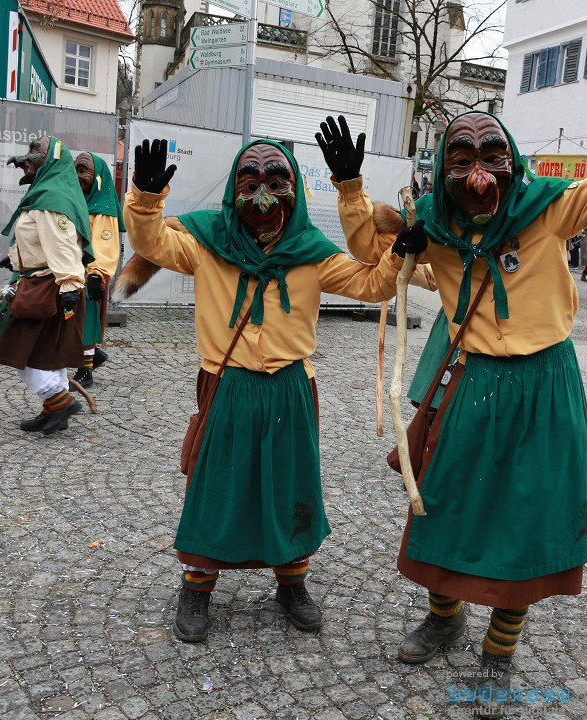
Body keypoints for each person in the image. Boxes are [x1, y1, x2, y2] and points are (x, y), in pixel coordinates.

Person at [324, 45, 587, 715]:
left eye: (491, 158)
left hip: (544, 386)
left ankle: (499, 655)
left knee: (526, 518)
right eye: (463, 161)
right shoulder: (438, 231)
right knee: (444, 506)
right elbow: (369, 253)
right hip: (470, 383)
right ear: (445, 170)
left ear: (513, 161)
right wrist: (350, 188)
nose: (479, 177)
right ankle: (445, 618)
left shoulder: (548, 210)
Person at [119, 137, 419, 644]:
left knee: (289, 486)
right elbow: (151, 245)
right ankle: (197, 585)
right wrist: (146, 200)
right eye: (251, 182)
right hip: (228, 382)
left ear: (294, 191)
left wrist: (398, 249)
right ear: (235, 190)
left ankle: (291, 582)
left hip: (290, 388)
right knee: (217, 487)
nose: (263, 195)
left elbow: (374, 286)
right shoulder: (206, 241)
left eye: (276, 182)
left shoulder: (311, 253)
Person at [0, 135, 90, 434]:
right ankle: (52, 409)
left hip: (49, 288)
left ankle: (59, 402)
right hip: (44, 282)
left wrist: (68, 286)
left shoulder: (53, 200)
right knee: (48, 354)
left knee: (21, 352)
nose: (26, 158)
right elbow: (38, 240)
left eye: (34, 152)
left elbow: (63, 245)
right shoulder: (46, 194)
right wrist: (16, 259)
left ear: (51, 160)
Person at [71, 152, 124, 388]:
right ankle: (95, 355)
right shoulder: (79, 202)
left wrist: (97, 273)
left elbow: (105, 242)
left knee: (86, 319)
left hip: (88, 274)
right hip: (71, 271)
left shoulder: (103, 207)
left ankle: (85, 370)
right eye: (75, 171)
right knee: (69, 319)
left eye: (83, 171)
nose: (78, 176)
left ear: (98, 177)